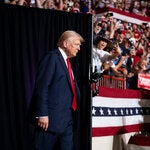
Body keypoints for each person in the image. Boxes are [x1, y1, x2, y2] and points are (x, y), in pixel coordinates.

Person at [31, 30, 84, 150]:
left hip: (67, 120)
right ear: (65, 44)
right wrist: (42, 114)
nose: (79, 48)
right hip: (49, 121)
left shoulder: (68, 63)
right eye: (76, 44)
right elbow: (42, 87)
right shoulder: (52, 58)